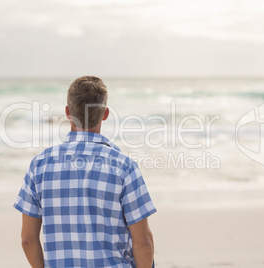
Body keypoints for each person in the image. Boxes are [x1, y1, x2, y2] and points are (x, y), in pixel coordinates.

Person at [13, 76, 157, 268]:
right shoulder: (124, 166)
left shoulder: (39, 165)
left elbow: (27, 240)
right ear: (105, 114)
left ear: (67, 112)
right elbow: (143, 242)